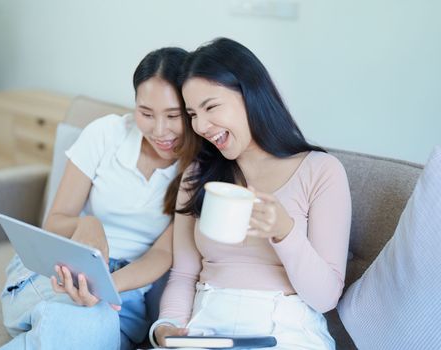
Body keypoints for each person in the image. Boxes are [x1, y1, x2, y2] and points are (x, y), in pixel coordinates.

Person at [151, 38, 352, 349]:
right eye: (192, 114)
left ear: (251, 95)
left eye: (211, 107)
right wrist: (166, 326)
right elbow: (183, 276)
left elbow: (325, 297)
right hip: (207, 327)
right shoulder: (197, 175)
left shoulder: (321, 171)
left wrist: (285, 232)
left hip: (284, 329)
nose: (201, 125)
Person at [0, 46, 198, 350]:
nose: (160, 130)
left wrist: (103, 288)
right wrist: (88, 225)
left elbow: (162, 255)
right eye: (146, 113)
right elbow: (55, 222)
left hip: (125, 292)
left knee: (91, 324)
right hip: (61, 268)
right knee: (88, 326)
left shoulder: (197, 169)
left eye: (173, 115)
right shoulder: (105, 134)